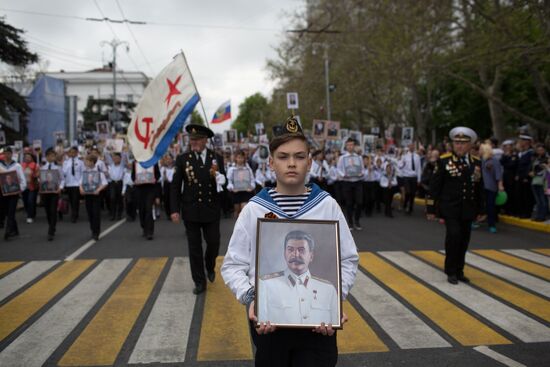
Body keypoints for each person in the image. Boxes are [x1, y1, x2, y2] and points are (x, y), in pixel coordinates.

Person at [221, 116, 358, 367]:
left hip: (318, 325)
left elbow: (347, 259)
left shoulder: (327, 206)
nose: (291, 163)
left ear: (310, 162)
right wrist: (252, 297)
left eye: (299, 156)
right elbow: (232, 265)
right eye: (283, 157)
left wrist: (335, 299)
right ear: (271, 163)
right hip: (269, 324)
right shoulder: (255, 210)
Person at [171, 124, 227, 295]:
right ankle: (199, 281)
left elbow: (223, 183)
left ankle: (209, 265)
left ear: (205, 140)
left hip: (211, 209)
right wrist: (174, 209)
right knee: (194, 247)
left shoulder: (216, 158)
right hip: (191, 209)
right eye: (191, 139)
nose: (193, 142)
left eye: (196, 140)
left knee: (213, 242)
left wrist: (220, 179)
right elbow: (175, 186)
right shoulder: (183, 159)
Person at [427, 127, 485, 285]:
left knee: (464, 240)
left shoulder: (476, 163)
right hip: (450, 208)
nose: (459, 146)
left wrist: (481, 209)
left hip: (468, 209)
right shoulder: (444, 161)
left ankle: (460, 270)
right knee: (454, 236)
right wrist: (431, 209)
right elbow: (434, 187)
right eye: (456, 143)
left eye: (463, 143)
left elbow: (479, 188)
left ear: (470, 145)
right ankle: (450, 270)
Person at [257, 230, 338, 325]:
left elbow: (334, 325)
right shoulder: (266, 284)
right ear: (284, 253)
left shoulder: (328, 289)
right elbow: (261, 325)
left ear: (311, 256)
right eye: (290, 249)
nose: (295, 255)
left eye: (301, 250)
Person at [337, 138, 364, 230]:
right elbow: (339, 169)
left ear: (354, 146)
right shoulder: (342, 158)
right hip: (347, 182)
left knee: (359, 202)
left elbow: (362, 169)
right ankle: (350, 223)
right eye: (349, 145)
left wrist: (362, 173)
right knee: (349, 203)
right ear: (346, 146)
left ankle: (357, 220)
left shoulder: (358, 157)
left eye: (352, 145)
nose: (350, 147)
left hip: (357, 182)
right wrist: (343, 175)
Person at [0, 147, 26, 240]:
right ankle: (15, 229)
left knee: (11, 212)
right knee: (7, 212)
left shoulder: (17, 166)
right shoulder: (0, 165)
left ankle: (8, 232)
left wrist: (20, 189)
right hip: (3, 193)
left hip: (14, 193)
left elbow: (23, 180)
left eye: (8, 153)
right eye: (5, 153)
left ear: (11, 154)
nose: (6, 155)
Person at [80, 154, 108, 241]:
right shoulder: (85, 172)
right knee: (90, 213)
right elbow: (80, 182)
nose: (86, 163)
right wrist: (81, 189)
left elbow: (105, 183)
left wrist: (98, 190)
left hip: (96, 195)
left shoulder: (99, 172)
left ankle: (96, 232)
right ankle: (93, 229)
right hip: (88, 195)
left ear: (92, 162)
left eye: (87, 161)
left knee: (96, 213)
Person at [132, 160, 161, 240]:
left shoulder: (153, 162)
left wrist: (155, 179)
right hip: (139, 189)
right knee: (142, 209)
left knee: (148, 208)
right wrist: (135, 180)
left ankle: (150, 231)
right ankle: (144, 227)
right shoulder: (136, 163)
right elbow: (133, 176)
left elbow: (158, 174)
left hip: (150, 189)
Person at [40, 148, 64, 241]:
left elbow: (62, 179)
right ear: (46, 157)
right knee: (47, 211)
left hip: (54, 192)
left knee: (53, 210)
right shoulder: (43, 168)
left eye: (53, 156)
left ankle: (51, 231)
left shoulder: (58, 168)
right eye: (49, 156)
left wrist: (60, 188)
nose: (51, 157)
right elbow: (41, 180)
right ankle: (51, 225)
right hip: (46, 192)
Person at [480, 143, 504, 233]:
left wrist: (500, 185)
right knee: (480, 205)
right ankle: (477, 220)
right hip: (482, 186)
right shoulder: (481, 160)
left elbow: (499, 174)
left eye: (481, 149)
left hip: (491, 187)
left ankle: (492, 224)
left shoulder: (494, 161)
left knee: (490, 206)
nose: (479, 151)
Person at [227, 150, 255, 218]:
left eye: (241, 158)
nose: (240, 159)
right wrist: (232, 188)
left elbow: (252, 180)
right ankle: (237, 226)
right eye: (238, 157)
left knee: (244, 211)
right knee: (237, 211)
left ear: (244, 158)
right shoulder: (231, 169)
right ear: (235, 158)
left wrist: (251, 187)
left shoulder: (248, 169)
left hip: (246, 192)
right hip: (236, 192)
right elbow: (229, 182)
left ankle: (243, 227)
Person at [62, 146, 84, 223]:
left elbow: (82, 173)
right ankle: (75, 213)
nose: (72, 153)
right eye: (70, 152)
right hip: (69, 184)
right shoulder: (66, 162)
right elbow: (64, 173)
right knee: (71, 200)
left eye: (74, 152)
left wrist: (80, 183)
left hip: (77, 184)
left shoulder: (81, 162)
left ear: (77, 153)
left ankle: (74, 215)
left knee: (75, 200)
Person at [399, 143, 422, 214]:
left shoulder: (417, 156)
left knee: (413, 193)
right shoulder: (404, 156)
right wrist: (403, 163)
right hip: (406, 177)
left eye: (413, 146)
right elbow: (400, 166)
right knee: (408, 192)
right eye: (410, 146)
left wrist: (419, 179)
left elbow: (419, 168)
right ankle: (405, 204)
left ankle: (410, 207)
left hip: (414, 177)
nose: (412, 147)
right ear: (408, 147)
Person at [516, 134, 535, 219]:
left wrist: (526, 177)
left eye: (522, 140)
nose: (520, 142)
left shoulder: (531, 153)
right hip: (520, 177)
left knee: (527, 196)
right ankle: (521, 212)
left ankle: (527, 213)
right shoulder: (521, 153)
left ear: (527, 142)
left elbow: (530, 166)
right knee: (520, 195)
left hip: (526, 178)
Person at [530, 144, 548, 222]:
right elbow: (533, 167)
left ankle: (543, 216)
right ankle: (538, 215)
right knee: (537, 199)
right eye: (538, 150)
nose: (540, 151)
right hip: (535, 180)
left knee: (542, 199)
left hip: (543, 180)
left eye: (541, 150)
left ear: (544, 150)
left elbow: (546, 170)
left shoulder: (547, 159)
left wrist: (536, 172)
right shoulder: (536, 158)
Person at [21, 151, 39, 223]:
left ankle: (30, 216)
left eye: (29, 157)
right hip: (24, 186)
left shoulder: (35, 165)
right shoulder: (21, 165)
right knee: (25, 201)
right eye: (26, 157)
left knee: (31, 201)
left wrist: (34, 175)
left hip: (33, 186)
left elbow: (38, 174)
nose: (27, 158)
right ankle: (30, 212)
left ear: (32, 158)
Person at [107, 152, 125, 220]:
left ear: (120, 159)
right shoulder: (110, 166)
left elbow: (124, 155)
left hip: (120, 183)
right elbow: (107, 154)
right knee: (112, 198)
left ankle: (119, 214)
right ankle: (113, 214)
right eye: (114, 158)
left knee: (119, 199)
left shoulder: (122, 166)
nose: (115, 159)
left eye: (117, 158)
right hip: (112, 183)